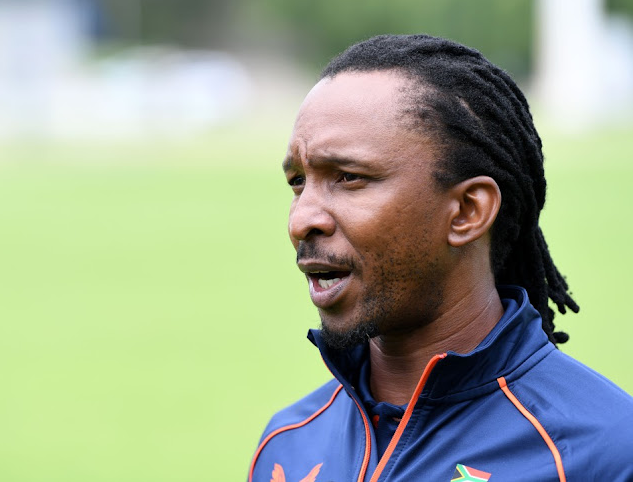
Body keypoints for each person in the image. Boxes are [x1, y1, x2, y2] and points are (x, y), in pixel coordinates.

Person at [247, 35, 633, 482]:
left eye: (349, 177)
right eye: (298, 181)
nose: (301, 221)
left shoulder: (602, 453)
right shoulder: (288, 445)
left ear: (468, 211)